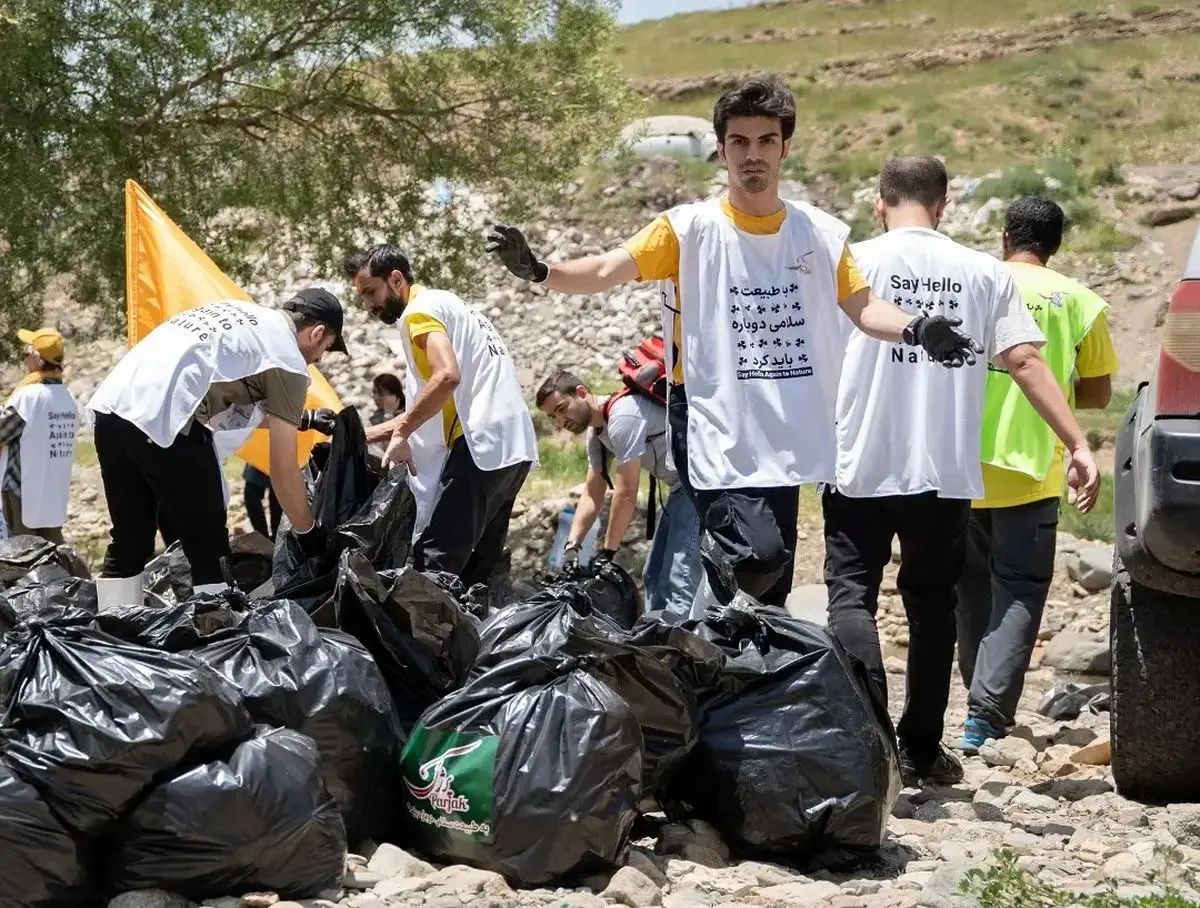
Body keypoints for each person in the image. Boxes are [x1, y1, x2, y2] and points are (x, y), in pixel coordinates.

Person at [486, 75, 980, 608]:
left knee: (776, 580)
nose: (753, 155)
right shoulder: (686, 230)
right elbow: (605, 269)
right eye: (739, 142)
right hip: (708, 417)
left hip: (784, 419)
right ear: (721, 150)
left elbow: (862, 306)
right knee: (757, 557)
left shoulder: (820, 233)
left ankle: (740, 674)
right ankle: (710, 639)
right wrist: (540, 270)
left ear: (785, 148)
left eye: (766, 141)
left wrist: (918, 326)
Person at [824, 156, 1101, 786]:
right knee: (931, 606)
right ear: (944, 205)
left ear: (878, 203)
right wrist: (1077, 443)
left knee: (851, 599)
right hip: (943, 471)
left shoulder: (851, 261)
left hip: (858, 461)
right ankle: (922, 746)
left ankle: (866, 745)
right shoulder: (981, 271)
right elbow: (1027, 361)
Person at [955, 197, 1119, 753]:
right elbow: (1097, 392)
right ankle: (984, 715)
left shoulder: (971, 280)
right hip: (1031, 467)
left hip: (959, 460)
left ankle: (977, 701)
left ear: (1003, 237)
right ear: (1056, 244)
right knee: (1020, 589)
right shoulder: (1079, 300)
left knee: (968, 584)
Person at [86, 290, 347, 609]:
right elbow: (282, 470)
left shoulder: (243, 317)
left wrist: (303, 419)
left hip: (111, 410)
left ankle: (111, 634)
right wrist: (310, 537)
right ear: (317, 333)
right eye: (325, 348)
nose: (318, 359)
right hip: (166, 416)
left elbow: (223, 404)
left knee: (130, 539)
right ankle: (216, 638)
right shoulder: (288, 360)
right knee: (208, 543)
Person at [346, 244, 537, 588]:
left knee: (435, 562)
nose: (369, 305)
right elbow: (426, 407)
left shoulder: (419, 313)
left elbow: (447, 376)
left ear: (396, 279)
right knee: (478, 569)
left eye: (371, 292)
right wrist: (362, 437)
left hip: (481, 447)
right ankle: (477, 638)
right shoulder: (450, 304)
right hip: (514, 447)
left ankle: (419, 641)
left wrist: (402, 433)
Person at [536, 369, 703, 620]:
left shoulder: (622, 415)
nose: (560, 422)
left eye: (561, 409)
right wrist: (573, 547)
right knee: (653, 574)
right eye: (552, 417)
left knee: (677, 579)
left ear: (581, 392)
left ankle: (681, 652)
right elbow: (592, 494)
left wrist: (608, 553)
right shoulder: (597, 433)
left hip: (702, 484)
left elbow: (625, 494)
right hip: (682, 488)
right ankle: (656, 642)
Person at [0, 328, 80, 543]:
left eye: (27, 353)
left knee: (23, 554)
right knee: (52, 552)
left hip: (22, 492)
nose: (25, 360)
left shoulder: (27, 397)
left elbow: (2, 431)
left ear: (37, 358)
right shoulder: (68, 397)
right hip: (53, 495)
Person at [242, 462, 282, 540]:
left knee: (278, 498)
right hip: (260, 456)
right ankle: (262, 537)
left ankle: (277, 538)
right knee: (251, 495)